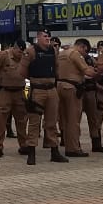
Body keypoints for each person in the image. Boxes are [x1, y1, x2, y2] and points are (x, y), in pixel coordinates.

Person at [25, 30, 66, 165]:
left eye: (49, 36)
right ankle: (31, 152)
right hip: (37, 89)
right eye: (45, 36)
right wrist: (28, 91)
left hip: (51, 89)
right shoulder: (31, 51)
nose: (48, 38)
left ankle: (54, 151)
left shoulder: (53, 51)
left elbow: (57, 68)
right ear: (38, 37)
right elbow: (22, 71)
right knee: (34, 122)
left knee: (52, 122)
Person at [56, 38, 97, 158]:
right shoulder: (75, 54)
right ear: (82, 47)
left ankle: (67, 144)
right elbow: (87, 71)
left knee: (64, 119)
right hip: (71, 88)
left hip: (60, 86)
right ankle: (73, 148)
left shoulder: (62, 53)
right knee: (73, 119)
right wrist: (96, 71)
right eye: (85, 51)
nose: (85, 54)